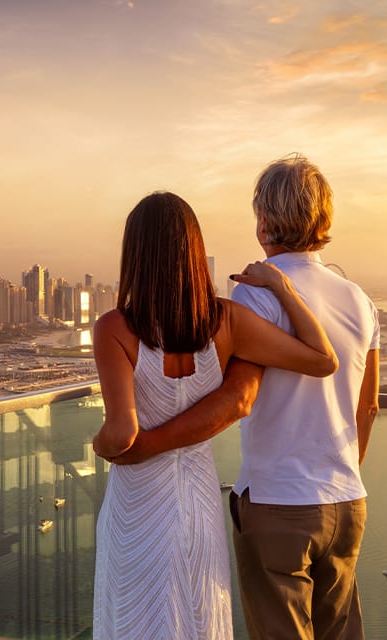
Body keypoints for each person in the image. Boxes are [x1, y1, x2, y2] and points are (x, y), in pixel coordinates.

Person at [105, 155, 380, 640]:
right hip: (347, 497)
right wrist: (344, 469)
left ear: (264, 222)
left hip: (278, 500)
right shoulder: (360, 298)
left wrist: (140, 445)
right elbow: (368, 403)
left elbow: (236, 398)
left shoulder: (253, 297)